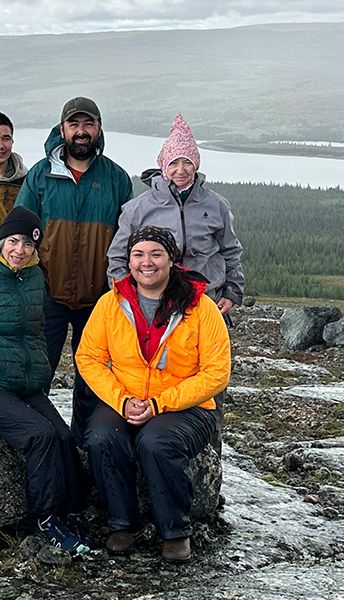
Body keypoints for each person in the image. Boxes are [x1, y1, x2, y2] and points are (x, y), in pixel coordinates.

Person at [75, 226, 230, 561]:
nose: (147, 262)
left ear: (172, 260)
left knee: (156, 442)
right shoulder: (111, 302)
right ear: (129, 261)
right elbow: (88, 357)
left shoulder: (201, 307)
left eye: (156, 254)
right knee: (101, 437)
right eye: (138, 254)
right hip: (124, 398)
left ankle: (175, 531)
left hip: (185, 406)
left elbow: (217, 372)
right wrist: (120, 400)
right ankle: (121, 524)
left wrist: (161, 403)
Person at [0, 206, 90, 556]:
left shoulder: (34, 277)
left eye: (27, 243)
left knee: (63, 436)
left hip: (23, 382)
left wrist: (39, 369)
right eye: (13, 241)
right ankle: (47, 518)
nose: (19, 250)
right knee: (39, 436)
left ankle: (73, 511)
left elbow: (37, 332)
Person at [15, 96, 133, 445]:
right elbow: (22, 231)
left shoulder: (115, 178)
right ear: (62, 130)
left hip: (99, 299)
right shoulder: (40, 174)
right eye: (74, 125)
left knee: (92, 377)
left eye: (88, 125)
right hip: (47, 294)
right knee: (39, 374)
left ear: (98, 129)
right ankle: (40, 444)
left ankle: (84, 447)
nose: (82, 132)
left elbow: (128, 238)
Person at [106, 114, 244, 313]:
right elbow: (117, 256)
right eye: (173, 163)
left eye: (187, 162)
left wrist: (231, 293)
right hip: (154, 302)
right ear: (163, 166)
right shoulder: (138, 208)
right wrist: (125, 296)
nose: (181, 170)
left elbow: (231, 251)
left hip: (207, 299)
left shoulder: (216, 205)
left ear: (196, 164)